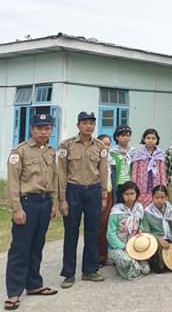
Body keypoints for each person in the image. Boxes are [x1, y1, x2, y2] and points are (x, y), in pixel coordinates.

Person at [5, 114, 58, 310]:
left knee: (37, 246)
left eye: (47, 128)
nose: (44, 132)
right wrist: (17, 209)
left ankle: (34, 284)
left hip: (44, 203)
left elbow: (53, 179)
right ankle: (13, 293)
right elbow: (13, 183)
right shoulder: (20, 152)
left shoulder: (51, 152)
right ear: (32, 129)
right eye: (39, 128)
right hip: (27, 204)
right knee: (20, 248)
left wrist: (54, 203)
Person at [57, 111, 108, 289]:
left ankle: (90, 270)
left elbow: (103, 171)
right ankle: (68, 273)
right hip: (73, 191)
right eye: (85, 123)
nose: (88, 126)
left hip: (93, 191)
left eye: (91, 123)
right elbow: (61, 172)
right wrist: (62, 198)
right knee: (71, 232)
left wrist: (103, 195)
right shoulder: (66, 145)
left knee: (92, 231)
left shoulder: (100, 146)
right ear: (78, 125)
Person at [106, 181, 150, 280]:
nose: (129, 197)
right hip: (118, 248)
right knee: (129, 263)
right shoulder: (116, 210)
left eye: (132, 193)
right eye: (126, 194)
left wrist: (141, 231)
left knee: (146, 269)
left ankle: (130, 265)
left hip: (134, 246)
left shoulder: (139, 208)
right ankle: (121, 264)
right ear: (122, 195)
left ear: (136, 194)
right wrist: (123, 247)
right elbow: (110, 234)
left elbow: (141, 225)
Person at [142, 185, 172, 273]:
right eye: (157, 197)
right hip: (155, 240)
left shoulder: (171, 210)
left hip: (170, 239)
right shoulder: (147, 212)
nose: (159, 200)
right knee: (159, 269)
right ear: (152, 197)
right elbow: (147, 232)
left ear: (166, 198)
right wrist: (159, 240)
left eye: (162, 198)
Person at [131, 129, 166, 207]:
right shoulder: (139, 153)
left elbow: (162, 172)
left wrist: (163, 186)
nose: (150, 140)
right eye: (148, 138)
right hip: (141, 184)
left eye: (153, 138)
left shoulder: (160, 154)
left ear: (157, 140)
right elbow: (134, 171)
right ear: (144, 139)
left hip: (156, 184)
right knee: (141, 206)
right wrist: (134, 185)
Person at [97, 134, 113, 266]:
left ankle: (104, 255)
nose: (106, 147)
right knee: (98, 225)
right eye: (103, 144)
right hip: (96, 194)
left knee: (106, 225)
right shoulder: (94, 159)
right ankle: (95, 255)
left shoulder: (111, 159)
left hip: (109, 194)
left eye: (108, 144)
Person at [109, 125, 134, 203]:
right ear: (117, 137)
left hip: (130, 184)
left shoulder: (134, 152)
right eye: (123, 135)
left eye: (128, 135)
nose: (125, 138)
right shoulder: (112, 152)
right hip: (117, 184)